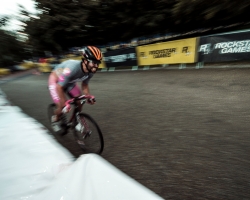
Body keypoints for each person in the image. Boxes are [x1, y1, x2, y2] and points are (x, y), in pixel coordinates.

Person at [48, 46, 102, 131]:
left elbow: (84, 85)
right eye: (93, 62)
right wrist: (65, 103)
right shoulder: (72, 68)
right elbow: (59, 87)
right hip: (56, 81)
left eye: (97, 63)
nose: (96, 66)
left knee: (79, 102)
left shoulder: (90, 70)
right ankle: (55, 119)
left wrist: (88, 96)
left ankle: (76, 121)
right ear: (85, 60)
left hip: (69, 81)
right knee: (62, 107)